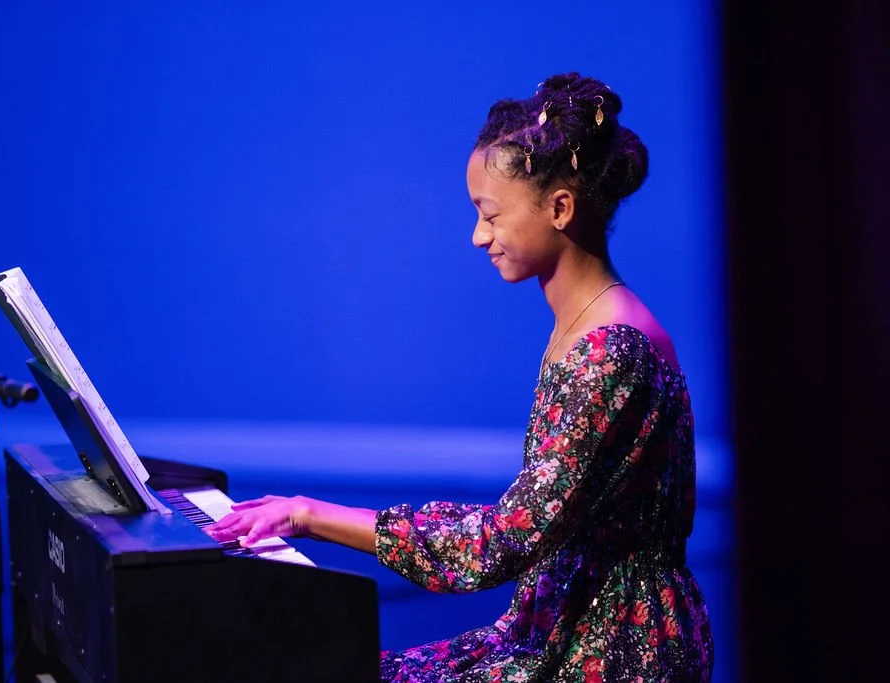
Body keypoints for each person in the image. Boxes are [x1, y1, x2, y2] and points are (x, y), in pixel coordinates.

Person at [208, 72, 714, 682]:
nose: (479, 236)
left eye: (490, 214)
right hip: (566, 622)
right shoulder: (588, 326)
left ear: (560, 208)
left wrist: (308, 515)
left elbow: (493, 546)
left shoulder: (611, 353)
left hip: (613, 651)